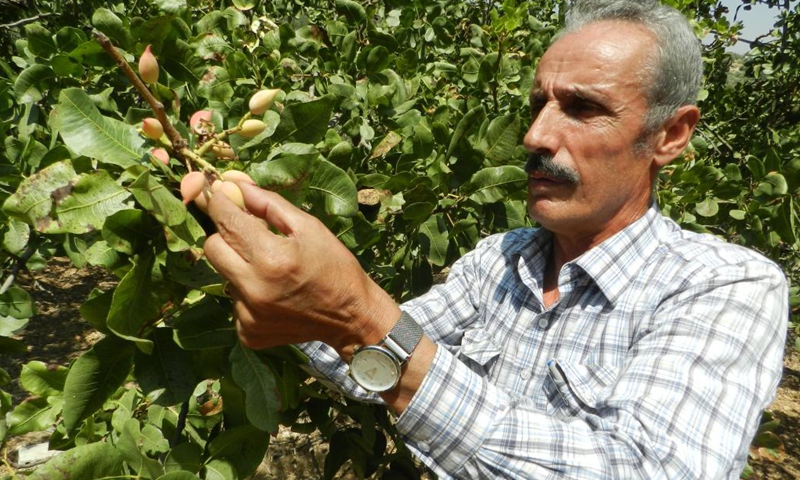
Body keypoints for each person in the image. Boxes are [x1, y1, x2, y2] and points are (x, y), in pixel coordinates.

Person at [203, 0, 789, 478]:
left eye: (582, 108)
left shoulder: (726, 285)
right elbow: (375, 364)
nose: (535, 134)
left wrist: (359, 316)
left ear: (670, 135)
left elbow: (646, 469)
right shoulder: (500, 260)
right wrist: (248, 237)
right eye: (538, 104)